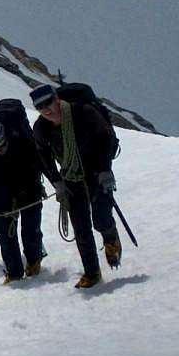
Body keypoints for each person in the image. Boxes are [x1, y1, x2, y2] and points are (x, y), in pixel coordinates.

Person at [30, 83, 122, 289]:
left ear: (56, 99)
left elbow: (106, 138)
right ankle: (92, 273)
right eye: (40, 107)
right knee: (81, 228)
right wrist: (56, 181)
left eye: (48, 103)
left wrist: (105, 170)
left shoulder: (83, 112)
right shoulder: (41, 128)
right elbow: (42, 156)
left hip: (96, 173)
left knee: (100, 217)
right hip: (70, 178)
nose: (46, 109)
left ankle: (111, 239)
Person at [0, 117, 47, 284]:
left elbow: (38, 166)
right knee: (6, 233)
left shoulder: (24, 145)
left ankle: (34, 261)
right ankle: (15, 271)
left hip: (29, 191)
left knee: (30, 229)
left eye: (2, 146)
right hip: (5, 196)